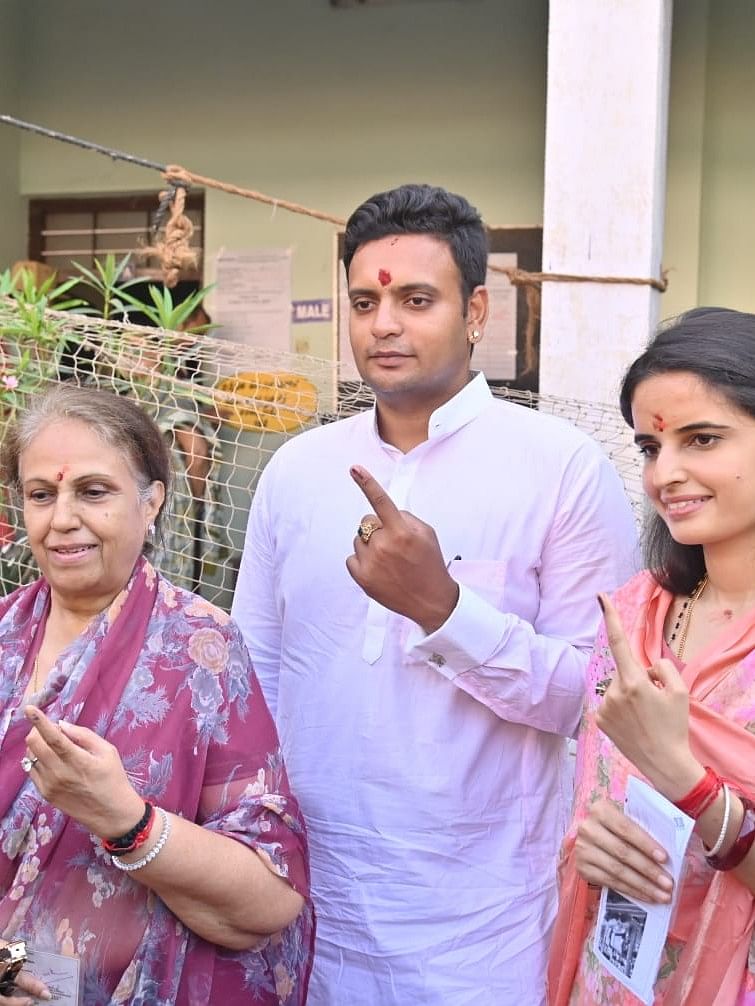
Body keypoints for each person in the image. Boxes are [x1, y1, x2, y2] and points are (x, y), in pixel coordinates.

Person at [231, 182, 637, 1005]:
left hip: (483, 926)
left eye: (416, 299)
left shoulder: (559, 469)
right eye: (364, 300)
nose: (384, 324)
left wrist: (444, 612)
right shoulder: (297, 474)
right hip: (315, 908)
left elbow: (597, 702)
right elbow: (251, 684)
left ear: (476, 311)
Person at [0, 384, 313, 1005]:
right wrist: (8, 966)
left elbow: (269, 896)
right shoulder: (4, 643)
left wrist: (126, 820)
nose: (62, 518)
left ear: (151, 504)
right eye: (42, 495)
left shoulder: (200, 651)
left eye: (93, 491)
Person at [547, 307, 755, 1005]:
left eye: (701, 439)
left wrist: (686, 782)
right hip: (615, 979)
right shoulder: (633, 619)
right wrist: (592, 849)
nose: (666, 473)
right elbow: (597, 809)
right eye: (648, 447)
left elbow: (674, 787)